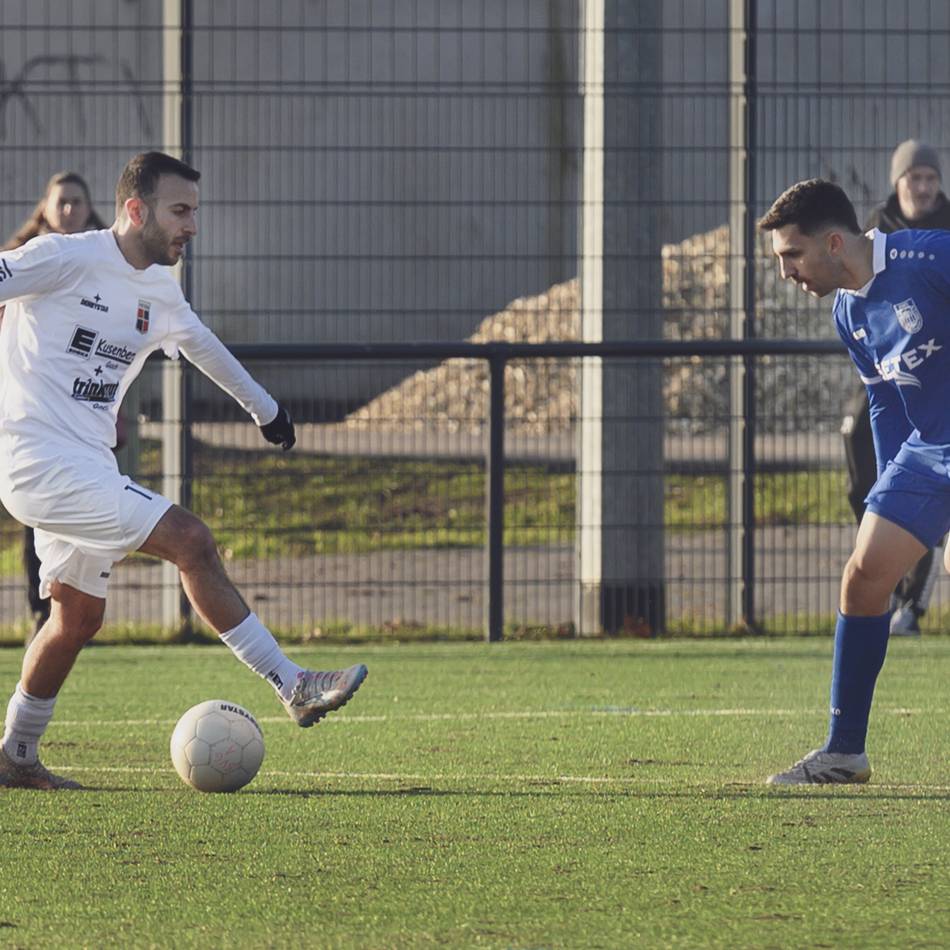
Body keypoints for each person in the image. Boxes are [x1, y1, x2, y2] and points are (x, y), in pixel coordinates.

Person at [0, 151, 368, 790]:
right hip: (35, 460)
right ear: (135, 210)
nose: (191, 225)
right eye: (179, 211)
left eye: (195, 211)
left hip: (85, 464)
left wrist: (268, 410)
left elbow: (207, 349)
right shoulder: (63, 257)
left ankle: (15, 757)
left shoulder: (159, 294)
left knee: (77, 618)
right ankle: (295, 683)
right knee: (191, 540)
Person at [758, 178, 950, 785]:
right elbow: (887, 403)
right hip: (929, 453)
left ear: (834, 242)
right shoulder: (848, 310)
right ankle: (845, 752)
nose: (786, 271)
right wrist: (888, 490)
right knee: (864, 576)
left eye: (792, 255)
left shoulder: (929, 257)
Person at [841, 140, 950, 636]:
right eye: (914, 179)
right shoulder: (871, 233)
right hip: (896, 376)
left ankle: (914, 603)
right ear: (897, 183)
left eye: (930, 178)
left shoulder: (942, 237)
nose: (923, 187)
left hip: (940, 390)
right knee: (858, 436)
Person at [2, 172, 111, 640]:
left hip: (86, 416)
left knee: (87, 516)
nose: (68, 210)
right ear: (44, 208)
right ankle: (40, 611)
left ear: (90, 209)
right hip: (23, 414)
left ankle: (65, 616)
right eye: (60, 202)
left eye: (76, 202)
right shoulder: (26, 260)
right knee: (34, 514)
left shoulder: (109, 262)